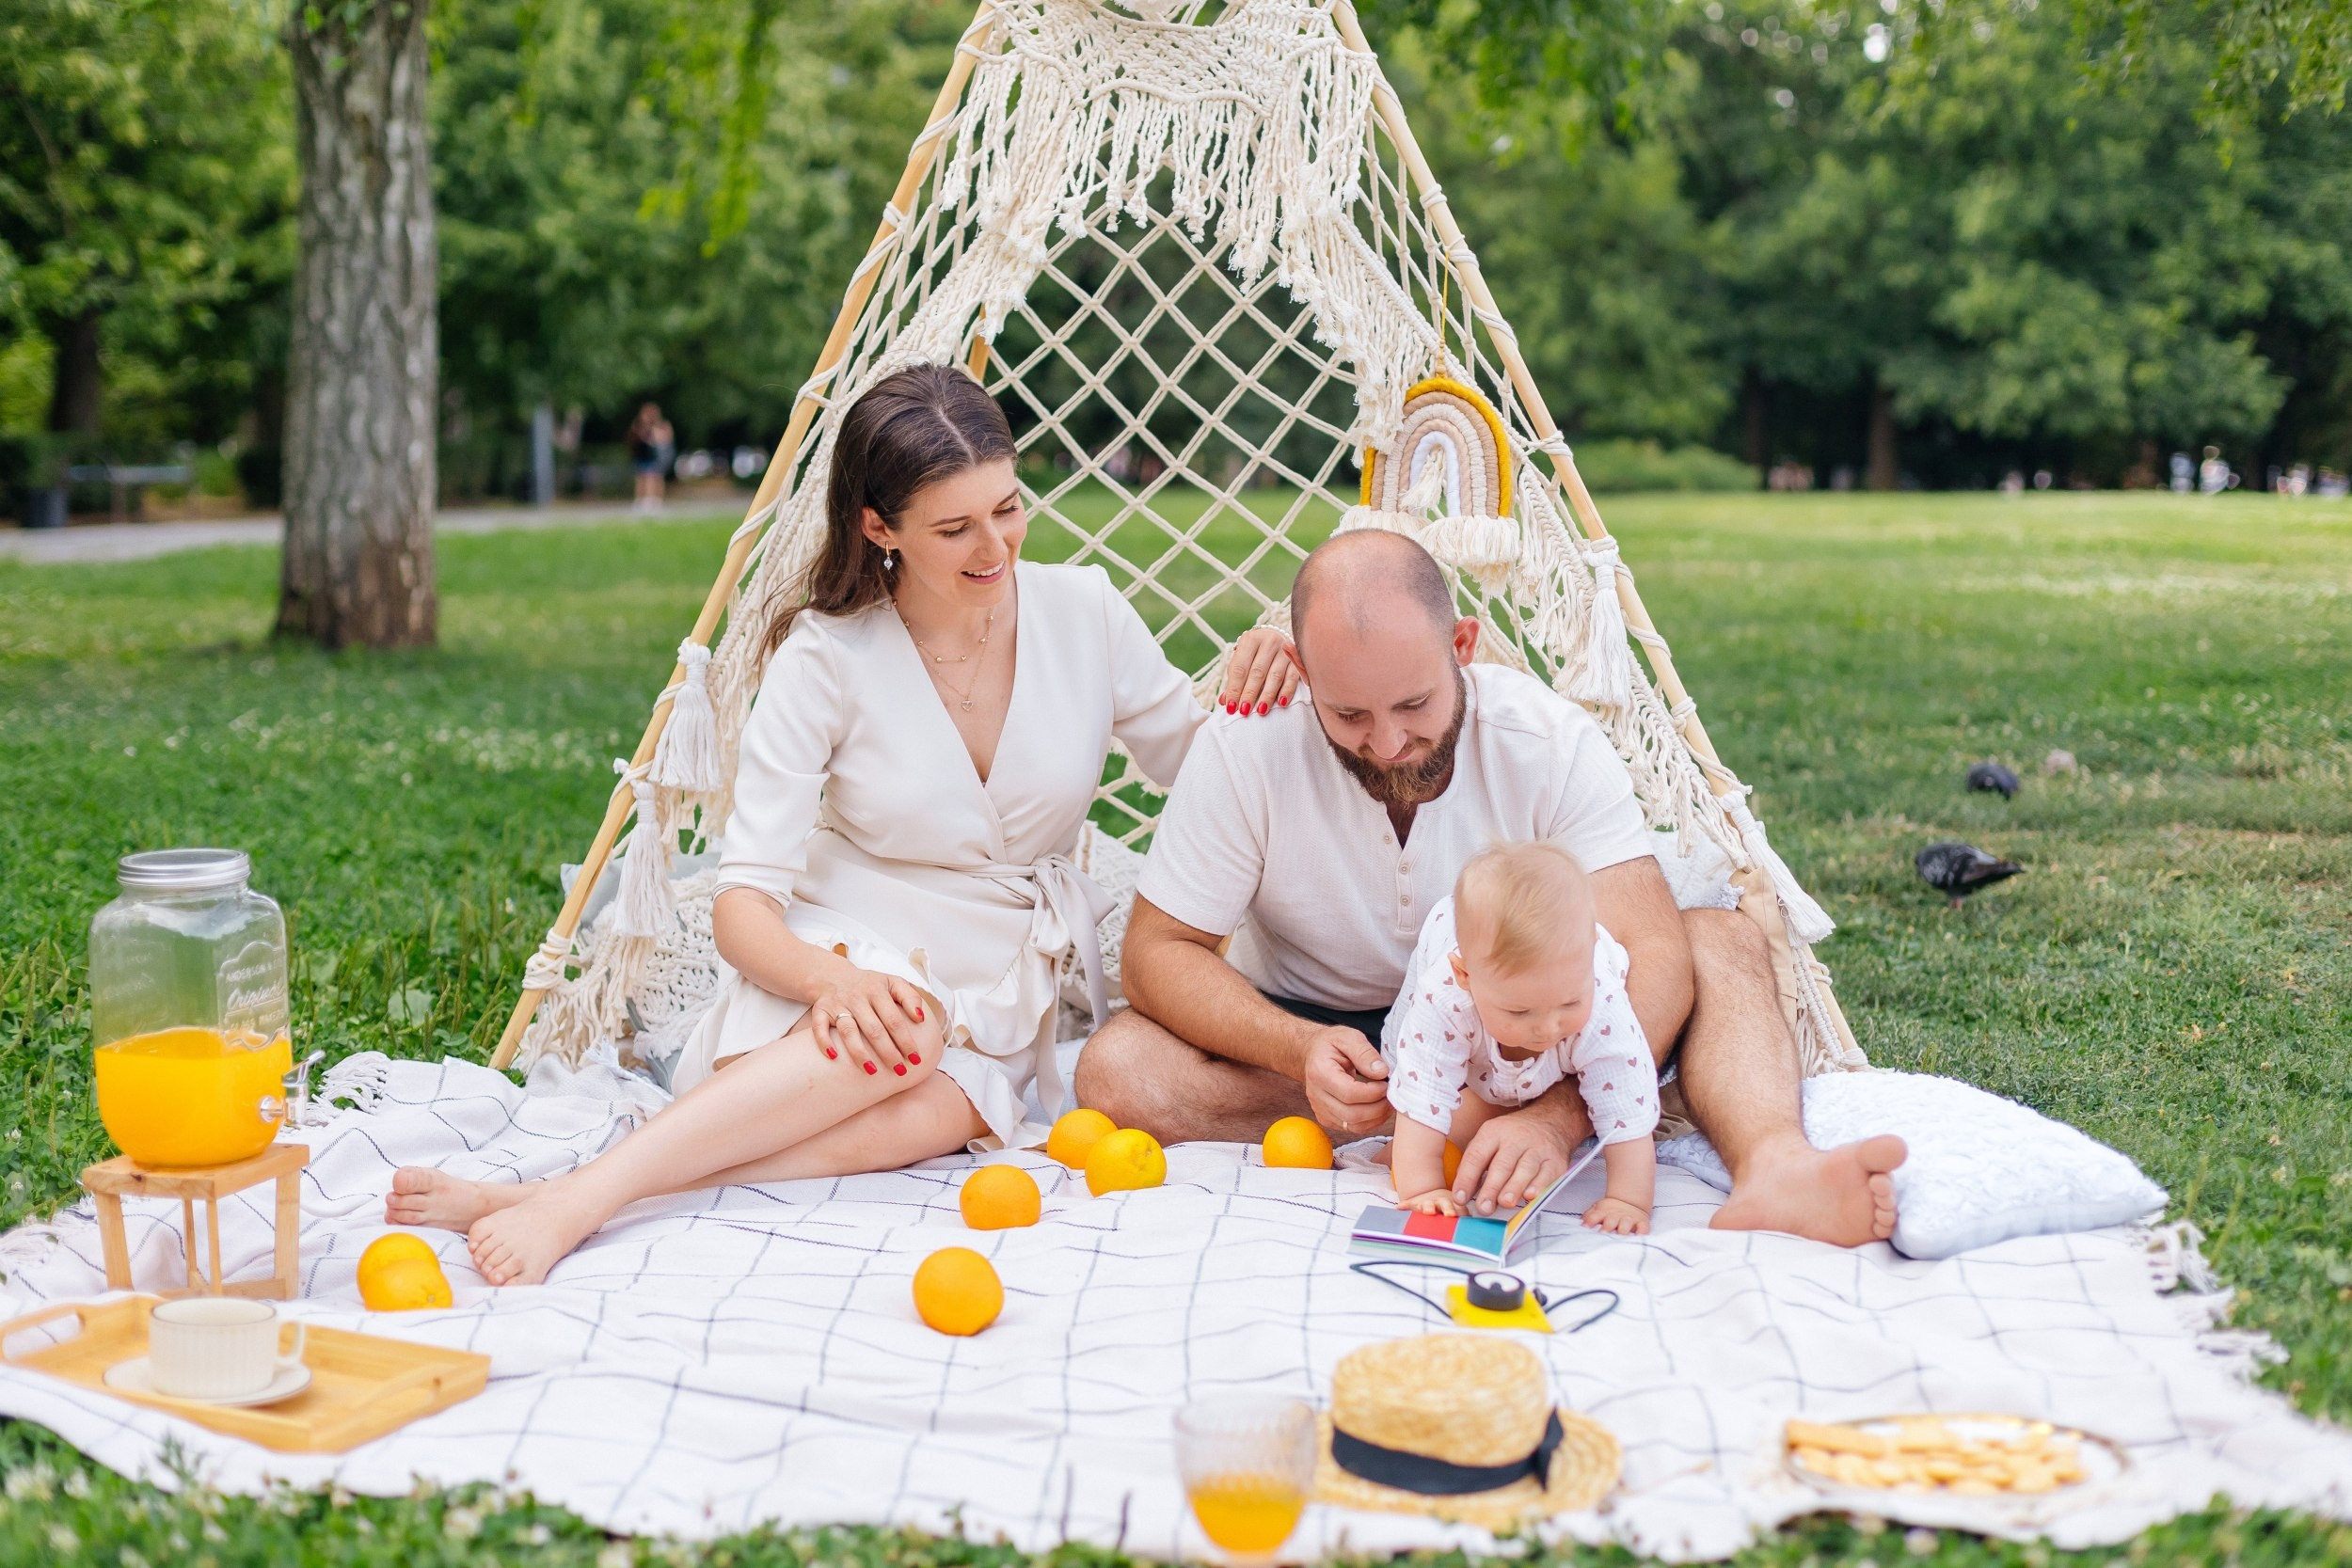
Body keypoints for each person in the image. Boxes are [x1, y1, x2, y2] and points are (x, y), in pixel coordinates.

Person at [387, 365, 1302, 1285]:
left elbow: (1204, 768)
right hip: (843, 947)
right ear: (878, 526)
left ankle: (575, 1187)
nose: (997, 547)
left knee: (941, 1113)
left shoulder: (1086, 612)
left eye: (1008, 507)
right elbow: (741, 905)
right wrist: (834, 981)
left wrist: (1271, 679)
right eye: (955, 528)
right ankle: (580, 1202)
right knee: (899, 1026)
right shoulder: (826, 654)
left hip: (994, 985)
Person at [1073, 528, 1905, 1247]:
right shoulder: (1247, 745)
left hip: (1526, 1037)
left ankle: (1778, 1169)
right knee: (1118, 1066)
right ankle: (1446, 1118)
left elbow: (1651, 949)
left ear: (1463, 646)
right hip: (1319, 1038)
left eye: (1414, 702)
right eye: (1349, 715)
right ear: (1301, 673)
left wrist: (1556, 1115)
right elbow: (1156, 955)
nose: (1389, 742)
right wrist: (1297, 1049)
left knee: (1718, 942)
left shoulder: (1544, 739)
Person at [1386, 842, 1656, 1235]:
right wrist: (1424, 1187)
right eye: (1520, 1011)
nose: (1548, 1028)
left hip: (1578, 1006)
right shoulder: (1444, 996)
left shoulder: (1600, 999)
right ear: (1466, 977)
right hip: (1453, 1009)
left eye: (1568, 1003)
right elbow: (1421, 1093)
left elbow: (1627, 1105)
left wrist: (1628, 1199)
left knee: (1612, 1073)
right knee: (1421, 1088)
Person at [629, 402, 675, 510]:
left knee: (655, 477)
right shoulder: (638, 424)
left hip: (656, 455)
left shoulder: (662, 424)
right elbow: (635, 436)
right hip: (641, 454)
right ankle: (641, 500)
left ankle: (654, 500)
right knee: (641, 477)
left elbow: (666, 438)